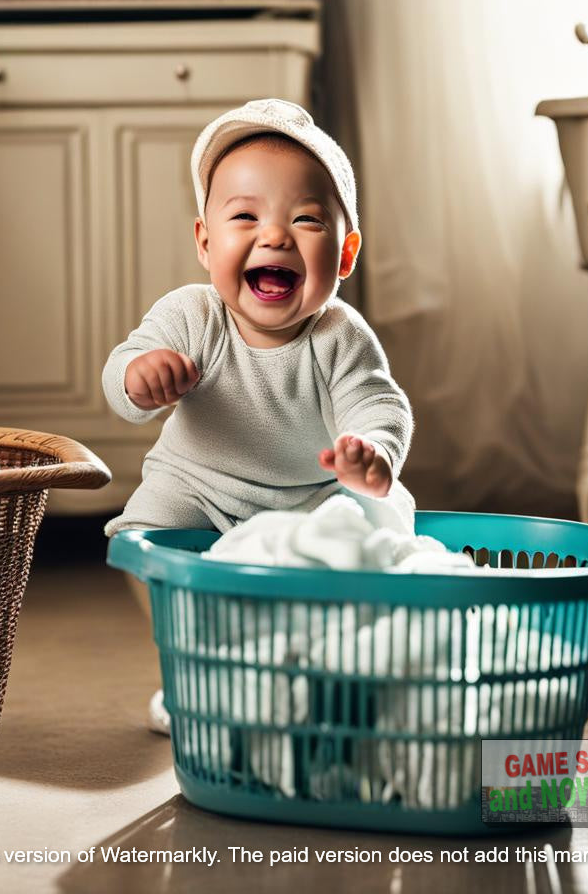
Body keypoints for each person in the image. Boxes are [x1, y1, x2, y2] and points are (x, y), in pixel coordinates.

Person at [101, 98, 415, 730]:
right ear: (205, 240)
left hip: (308, 503)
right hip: (197, 491)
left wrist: (372, 454)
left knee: (367, 534)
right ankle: (199, 669)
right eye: (245, 216)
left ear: (346, 254)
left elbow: (380, 404)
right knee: (142, 540)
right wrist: (140, 378)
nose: (274, 235)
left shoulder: (339, 336)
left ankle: (308, 665)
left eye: (304, 219)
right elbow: (123, 368)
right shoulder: (191, 316)